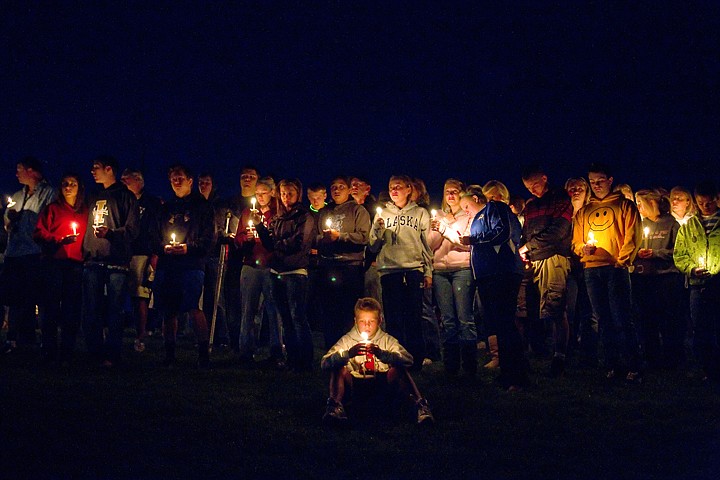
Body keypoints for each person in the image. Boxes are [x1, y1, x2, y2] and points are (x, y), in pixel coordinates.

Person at [571, 163, 643, 383]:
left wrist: (622, 261)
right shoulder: (585, 211)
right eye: (592, 182)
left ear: (610, 180)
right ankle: (612, 364)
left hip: (615, 268)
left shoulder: (625, 206)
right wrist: (582, 249)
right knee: (602, 318)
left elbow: (633, 236)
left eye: (600, 180)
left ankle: (633, 364)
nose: (596, 185)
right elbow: (576, 241)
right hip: (592, 269)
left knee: (621, 316)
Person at [321, 297, 434, 426]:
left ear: (380, 321)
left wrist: (383, 355)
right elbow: (325, 363)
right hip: (356, 385)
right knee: (338, 366)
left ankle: (420, 407)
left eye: (371, 321)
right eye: (362, 321)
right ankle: (334, 407)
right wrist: (347, 355)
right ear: (355, 321)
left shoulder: (386, 340)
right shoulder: (347, 340)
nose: (367, 325)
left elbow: (408, 360)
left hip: (381, 384)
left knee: (399, 369)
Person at [460, 190, 528, 390]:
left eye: (466, 207)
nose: (466, 212)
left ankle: (517, 375)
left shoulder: (494, 208)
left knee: (506, 322)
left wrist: (473, 239)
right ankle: (508, 372)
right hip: (487, 275)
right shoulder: (477, 220)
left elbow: (502, 232)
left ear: (475, 198)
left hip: (502, 272)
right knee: (499, 324)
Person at [369, 175, 433, 371]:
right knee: (393, 317)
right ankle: (395, 359)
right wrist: (378, 231)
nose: (394, 190)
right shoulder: (382, 214)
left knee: (414, 316)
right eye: (390, 187)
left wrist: (428, 271)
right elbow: (372, 245)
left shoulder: (420, 213)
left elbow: (426, 244)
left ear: (408, 189)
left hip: (413, 270)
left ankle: (415, 360)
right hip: (390, 270)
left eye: (398, 187)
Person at [153, 165, 215, 368]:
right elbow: (155, 237)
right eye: (173, 179)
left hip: (191, 264)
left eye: (180, 178)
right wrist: (164, 248)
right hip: (168, 264)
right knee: (168, 310)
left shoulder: (202, 206)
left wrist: (188, 248)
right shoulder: (166, 207)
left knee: (192, 306)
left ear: (190, 180)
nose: (176, 182)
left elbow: (208, 239)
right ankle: (169, 354)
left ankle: (203, 354)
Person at [82, 156, 139, 367]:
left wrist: (111, 234)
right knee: (91, 308)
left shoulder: (126, 197)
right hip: (93, 260)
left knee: (114, 309)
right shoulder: (93, 196)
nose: (92, 171)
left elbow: (132, 230)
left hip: (116, 261)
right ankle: (94, 352)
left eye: (96, 167)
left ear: (109, 169)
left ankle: (112, 354)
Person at [253, 178, 315, 371]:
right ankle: (292, 358)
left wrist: (277, 246)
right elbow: (269, 242)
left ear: (298, 195)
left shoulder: (304, 216)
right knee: (285, 317)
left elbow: (298, 243)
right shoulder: (278, 218)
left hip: (295, 271)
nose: (286, 197)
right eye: (283, 193)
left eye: (290, 193)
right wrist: (259, 226)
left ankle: (305, 360)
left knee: (298, 316)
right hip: (277, 271)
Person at [518, 165, 574, 377]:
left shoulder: (560, 199)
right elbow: (526, 232)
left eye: (535, 184)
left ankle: (560, 356)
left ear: (544, 178)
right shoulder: (531, 205)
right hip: (533, 260)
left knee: (555, 307)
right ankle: (538, 351)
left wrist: (529, 246)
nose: (532, 189)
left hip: (553, 257)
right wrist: (524, 248)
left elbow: (558, 231)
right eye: (528, 187)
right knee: (534, 308)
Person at [2, 157, 56, 353]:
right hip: (15, 252)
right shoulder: (17, 195)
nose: (16, 173)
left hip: (35, 252)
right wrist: (10, 220)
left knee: (38, 297)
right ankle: (16, 339)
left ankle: (43, 341)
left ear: (32, 171)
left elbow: (50, 220)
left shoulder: (49, 193)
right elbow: (7, 224)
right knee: (15, 298)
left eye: (20, 169)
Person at [33, 173, 87, 363]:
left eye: (73, 183)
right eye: (65, 183)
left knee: (71, 308)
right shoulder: (52, 209)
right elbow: (38, 233)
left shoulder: (84, 211)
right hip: (54, 263)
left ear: (79, 187)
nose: (68, 187)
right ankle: (49, 347)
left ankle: (67, 349)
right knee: (51, 307)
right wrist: (58, 240)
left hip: (75, 264)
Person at [315, 176, 371, 348]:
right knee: (329, 310)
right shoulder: (325, 211)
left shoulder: (358, 210)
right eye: (333, 187)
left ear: (348, 190)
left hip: (349, 268)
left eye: (341, 187)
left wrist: (340, 236)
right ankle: (331, 348)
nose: (337, 190)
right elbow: (316, 237)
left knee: (347, 311)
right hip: (328, 266)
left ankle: (349, 349)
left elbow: (364, 237)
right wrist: (323, 239)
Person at [428, 179, 476, 375]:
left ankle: (470, 367)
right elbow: (430, 245)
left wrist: (444, 229)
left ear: (462, 194)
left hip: (462, 268)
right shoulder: (439, 216)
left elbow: (466, 243)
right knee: (448, 319)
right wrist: (442, 227)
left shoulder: (469, 216)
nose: (451, 195)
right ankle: (451, 366)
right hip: (440, 271)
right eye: (447, 191)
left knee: (464, 317)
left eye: (455, 191)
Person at [673, 181, 720, 382]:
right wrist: (692, 269)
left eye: (708, 203)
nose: (705, 207)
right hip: (697, 286)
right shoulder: (690, 225)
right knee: (701, 328)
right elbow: (679, 254)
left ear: (716, 199)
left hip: (718, 283)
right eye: (701, 203)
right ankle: (707, 369)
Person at [633, 189, 683, 369]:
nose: (638, 207)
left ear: (652, 203)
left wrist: (656, 253)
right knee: (647, 319)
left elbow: (678, 252)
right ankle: (651, 357)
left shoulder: (671, 224)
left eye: (640, 203)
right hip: (646, 278)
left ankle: (673, 358)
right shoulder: (639, 224)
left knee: (669, 319)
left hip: (667, 278)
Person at [235, 177, 282, 366]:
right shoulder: (247, 213)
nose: (260, 196)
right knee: (248, 310)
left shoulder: (277, 214)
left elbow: (276, 241)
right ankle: (246, 350)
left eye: (264, 193)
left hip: (270, 266)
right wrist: (244, 239)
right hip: (250, 265)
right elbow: (238, 238)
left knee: (274, 311)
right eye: (257, 193)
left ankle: (276, 351)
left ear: (272, 193)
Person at [120, 168, 163, 352]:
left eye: (126, 181)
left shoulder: (152, 203)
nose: (123, 185)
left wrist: (155, 253)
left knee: (140, 296)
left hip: (142, 252)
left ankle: (141, 333)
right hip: (123, 252)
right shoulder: (122, 201)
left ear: (138, 181)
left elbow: (157, 228)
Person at [564, 177, 598, 365]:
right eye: (572, 188)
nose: (576, 191)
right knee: (568, 309)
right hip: (568, 266)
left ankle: (588, 352)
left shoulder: (592, 212)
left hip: (588, 264)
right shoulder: (563, 213)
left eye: (580, 188)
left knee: (589, 310)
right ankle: (567, 349)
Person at [411, 177, 441, 365]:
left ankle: (432, 349)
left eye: (411, 189)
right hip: (409, 266)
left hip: (423, 266)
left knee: (425, 309)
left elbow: (429, 244)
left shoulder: (426, 215)